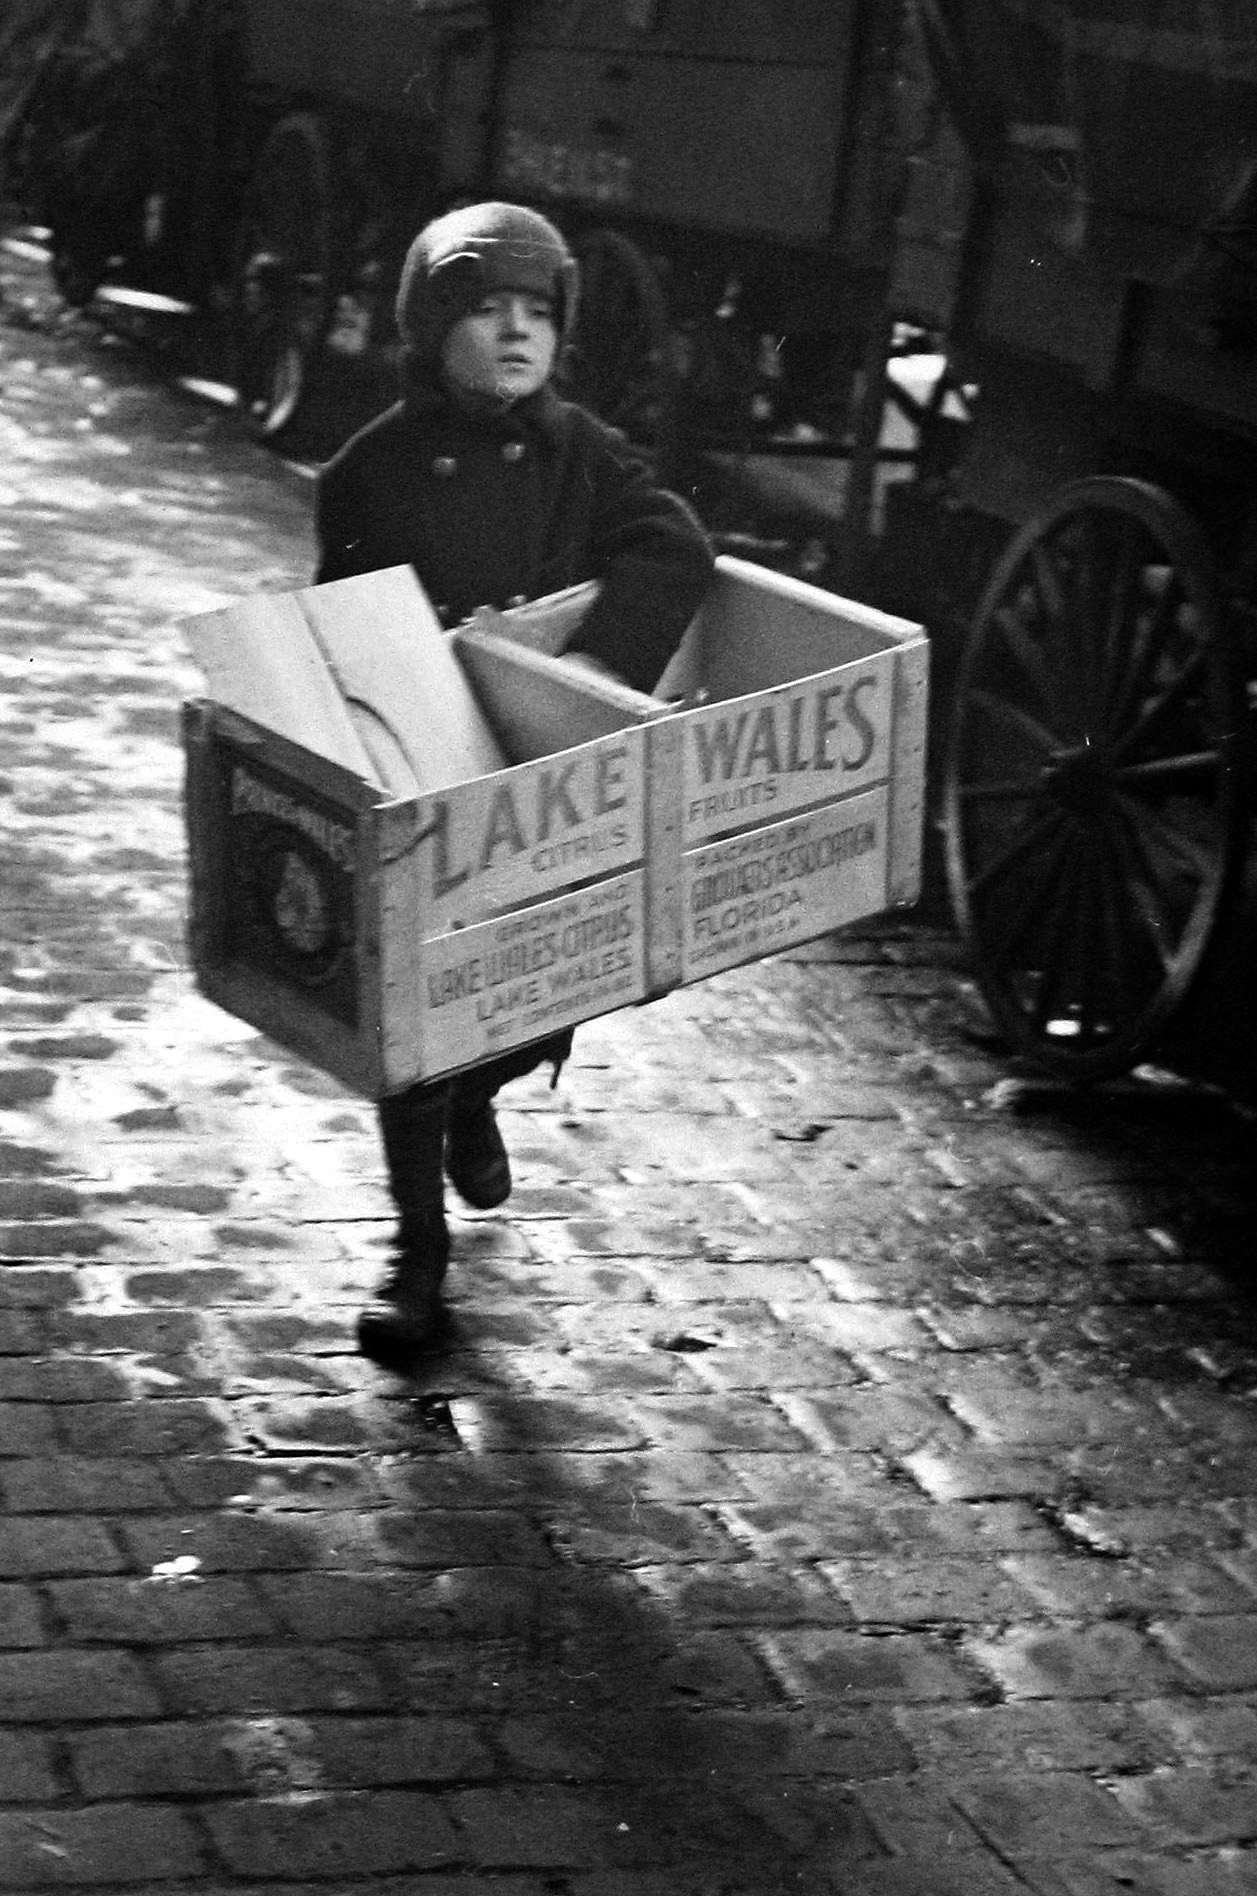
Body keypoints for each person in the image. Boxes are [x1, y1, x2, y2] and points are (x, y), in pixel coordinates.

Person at [314, 201, 714, 1357]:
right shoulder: (366, 471)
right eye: (484, 310)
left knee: (533, 985)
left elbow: (672, 547)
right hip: (422, 766)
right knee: (412, 1007)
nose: (513, 334)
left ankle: (485, 1089)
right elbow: (341, 620)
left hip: (537, 765)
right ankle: (417, 1256)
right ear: (428, 328)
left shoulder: (581, 452)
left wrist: (589, 664)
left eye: (536, 314)